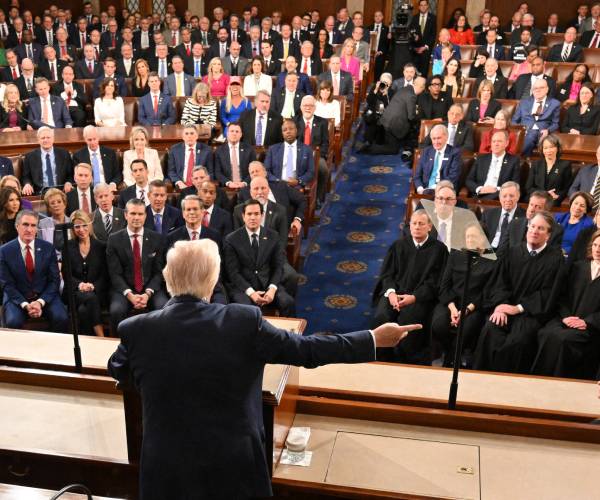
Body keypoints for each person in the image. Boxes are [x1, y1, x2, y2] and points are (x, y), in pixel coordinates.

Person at [107, 235, 419, 500]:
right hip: (233, 465)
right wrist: (372, 339)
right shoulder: (242, 322)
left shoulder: (137, 330)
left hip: (166, 469)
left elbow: (119, 369)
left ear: (168, 278)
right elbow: (308, 350)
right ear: (212, 280)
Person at [473, 212, 564, 374]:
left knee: (517, 342)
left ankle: (509, 389)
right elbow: (499, 282)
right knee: (490, 330)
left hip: (530, 313)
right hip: (505, 307)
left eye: (541, 228)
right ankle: (480, 381)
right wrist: (501, 305)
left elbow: (548, 293)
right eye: (533, 226)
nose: (535, 231)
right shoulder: (512, 252)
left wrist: (518, 308)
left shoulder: (555, 259)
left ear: (548, 235)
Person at [372, 209, 448, 362]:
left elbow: (435, 281)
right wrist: (391, 293)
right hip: (394, 294)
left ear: (429, 227)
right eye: (414, 223)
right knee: (383, 315)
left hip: (419, 297)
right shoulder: (398, 245)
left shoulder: (439, 250)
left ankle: (403, 361)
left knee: (409, 320)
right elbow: (387, 274)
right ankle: (381, 358)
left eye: (421, 223)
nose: (417, 227)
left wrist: (414, 297)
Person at [532, 229, 600, 378]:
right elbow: (562, 296)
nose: (597, 249)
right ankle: (537, 380)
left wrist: (587, 322)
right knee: (546, 333)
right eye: (595, 245)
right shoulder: (578, 267)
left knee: (563, 340)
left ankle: (558, 384)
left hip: (591, 326)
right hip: (566, 318)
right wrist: (566, 316)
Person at [432, 223, 497, 367]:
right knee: (439, 325)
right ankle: (453, 354)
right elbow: (445, 285)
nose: (469, 240)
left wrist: (467, 310)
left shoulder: (493, 260)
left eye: (473, 236)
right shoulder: (456, 254)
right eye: (467, 237)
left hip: (475, 305)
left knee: (466, 329)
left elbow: (487, 291)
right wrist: (453, 309)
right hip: (451, 302)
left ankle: (449, 360)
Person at [106, 198, 168, 334]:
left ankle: (161, 346)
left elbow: (158, 272)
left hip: (150, 289)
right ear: (125, 215)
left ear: (145, 216)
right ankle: (118, 348)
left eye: (140, 214)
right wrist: (130, 295)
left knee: (163, 308)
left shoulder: (156, 238)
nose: (136, 217)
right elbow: (115, 274)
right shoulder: (114, 239)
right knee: (116, 310)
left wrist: (147, 294)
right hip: (124, 290)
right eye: (133, 213)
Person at [223, 199, 295, 316]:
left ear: (262, 215)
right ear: (243, 216)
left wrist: (272, 289)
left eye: (256, 214)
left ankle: (288, 334)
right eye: (249, 214)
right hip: (243, 288)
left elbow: (278, 267)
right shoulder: (231, 240)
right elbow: (233, 273)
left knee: (288, 302)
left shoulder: (273, 236)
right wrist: (251, 293)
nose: (253, 217)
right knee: (248, 310)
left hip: (268, 284)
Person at [0, 210, 68, 332]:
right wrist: (25, 305)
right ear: (17, 226)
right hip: (17, 299)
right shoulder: (4, 251)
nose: (29, 229)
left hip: (45, 296)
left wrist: (40, 302)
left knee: (61, 317)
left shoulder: (48, 248)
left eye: (33, 225)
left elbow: (54, 280)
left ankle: (53, 348)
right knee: (12, 321)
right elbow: (7, 284)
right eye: (25, 224)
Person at [67, 210, 107, 337]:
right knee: (90, 298)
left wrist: (93, 286)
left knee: (84, 310)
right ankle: (102, 337)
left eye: (84, 225)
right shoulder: (67, 246)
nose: (81, 229)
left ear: (90, 225)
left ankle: (87, 344)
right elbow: (66, 274)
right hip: (75, 293)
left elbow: (104, 275)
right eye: (77, 226)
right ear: (73, 229)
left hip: (97, 291)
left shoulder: (100, 246)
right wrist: (80, 285)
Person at [498, 190, 565, 258]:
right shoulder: (514, 224)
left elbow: (552, 258)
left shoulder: (556, 230)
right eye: (531, 204)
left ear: (546, 212)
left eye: (538, 207)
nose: (531, 209)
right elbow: (502, 251)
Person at [512, 79, 560, 156]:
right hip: (524, 132)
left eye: (541, 88)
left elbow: (555, 123)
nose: (538, 90)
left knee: (532, 135)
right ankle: (523, 160)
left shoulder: (554, 104)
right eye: (535, 88)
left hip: (541, 134)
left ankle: (514, 157)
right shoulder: (524, 102)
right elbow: (514, 121)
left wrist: (548, 131)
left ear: (547, 89)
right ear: (532, 90)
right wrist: (520, 131)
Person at [466, 130, 520, 199]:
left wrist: (496, 189)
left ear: (506, 143)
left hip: (499, 195)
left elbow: (515, 184)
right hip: (480, 193)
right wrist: (480, 189)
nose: (496, 144)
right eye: (493, 141)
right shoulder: (481, 159)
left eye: (499, 141)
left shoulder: (513, 161)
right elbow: (469, 180)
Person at [22, 127, 74, 196]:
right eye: (43, 138)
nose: (46, 140)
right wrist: (27, 184)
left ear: (53, 138)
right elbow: (26, 176)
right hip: (40, 192)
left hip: (61, 191)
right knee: (26, 203)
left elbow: (70, 174)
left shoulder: (64, 154)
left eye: (48, 137)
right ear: (38, 140)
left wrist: (68, 182)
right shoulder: (30, 157)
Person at [265, 120, 314, 188]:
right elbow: (266, 170)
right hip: (277, 186)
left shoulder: (306, 149)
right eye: (285, 130)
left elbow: (310, 172)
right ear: (282, 133)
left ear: (296, 130)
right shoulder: (273, 149)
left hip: (297, 187)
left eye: (291, 129)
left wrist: (298, 181)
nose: (288, 132)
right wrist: (277, 181)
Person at [525, 134, 572, 205]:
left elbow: (566, 188)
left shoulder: (565, 165)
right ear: (542, 149)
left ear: (558, 148)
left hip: (553, 200)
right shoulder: (536, 164)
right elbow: (528, 187)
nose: (548, 150)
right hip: (537, 198)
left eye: (551, 147)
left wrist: (557, 196)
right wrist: (545, 194)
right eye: (545, 148)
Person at [414, 124, 462, 194]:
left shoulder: (454, 153)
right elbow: (417, 175)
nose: (436, 142)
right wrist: (420, 188)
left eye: (439, 138)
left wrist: (437, 189)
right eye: (434, 139)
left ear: (446, 137)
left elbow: (453, 177)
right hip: (425, 190)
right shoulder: (426, 151)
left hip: (445, 191)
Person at [73, 125, 122, 190]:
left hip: (107, 188)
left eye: (94, 139)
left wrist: (113, 184)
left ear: (98, 138)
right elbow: (76, 177)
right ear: (85, 139)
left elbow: (117, 174)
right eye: (89, 140)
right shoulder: (78, 155)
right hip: (88, 189)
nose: (93, 142)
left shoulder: (110, 153)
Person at [481, 181, 526, 250]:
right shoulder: (488, 214)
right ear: (499, 197)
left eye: (511, 196)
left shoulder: (524, 217)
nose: (508, 199)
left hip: (510, 253)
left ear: (518, 196)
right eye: (504, 196)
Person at [167, 125, 213, 190]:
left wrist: (202, 183)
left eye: (192, 133)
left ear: (197, 136)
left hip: (200, 186)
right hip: (181, 186)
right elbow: (171, 171)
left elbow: (210, 172)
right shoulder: (174, 149)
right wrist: (179, 182)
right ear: (183, 137)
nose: (189, 136)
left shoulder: (206, 150)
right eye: (186, 134)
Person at [214, 123, 256, 188]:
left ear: (241, 134)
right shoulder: (219, 151)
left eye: (237, 131)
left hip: (246, 186)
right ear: (227, 133)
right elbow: (217, 172)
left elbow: (254, 170)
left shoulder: (249, 150)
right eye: (232, 131)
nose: (234, 133)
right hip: (226, 187)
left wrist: (244, 183)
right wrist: (228, 183)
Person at [408, 0, 436, 76]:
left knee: (423, 74)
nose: (423, 7)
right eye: (421, 5)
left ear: (428, 6)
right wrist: (414, 40)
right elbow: (411, 32)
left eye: (425, 5)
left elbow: (433, 35)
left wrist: (425, 47)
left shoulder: (433, 18)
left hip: (426, 50)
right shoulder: (414, 18)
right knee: (414, 73)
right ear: (419, 7)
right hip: (416, 51)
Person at [38, 188, 71, 254]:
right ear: (49, 208)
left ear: (64, 204)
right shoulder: (42, 224)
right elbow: (40, 246)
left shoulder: (72, 221)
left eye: (59, 202)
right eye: (52, 203)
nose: (56, 205)